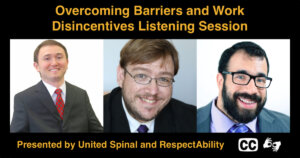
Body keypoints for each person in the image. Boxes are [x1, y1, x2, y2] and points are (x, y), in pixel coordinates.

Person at [10, 40, 103, 133]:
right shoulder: (23, 99)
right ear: (36, 66)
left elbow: (96, 130)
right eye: (47, 58)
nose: (54, 63)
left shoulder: (80, 94)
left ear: (67, 62)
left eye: (59, 57)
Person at [104, 39, 196, 133]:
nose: (153, 91)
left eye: (163, 79)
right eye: (141, 76)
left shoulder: (193, 119)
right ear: (121, 76)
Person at [197, 41, 290, 133]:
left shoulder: (286, 126)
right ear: (220, 81)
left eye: (260, 80)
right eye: (241, 77)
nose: (252, 90)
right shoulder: (193, 120)